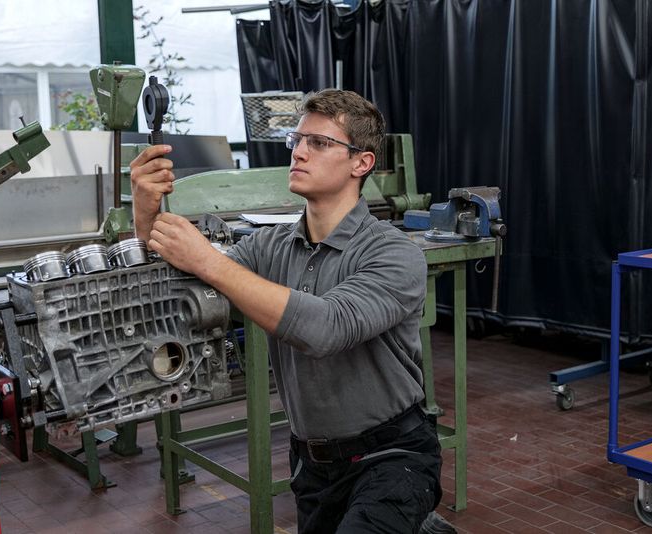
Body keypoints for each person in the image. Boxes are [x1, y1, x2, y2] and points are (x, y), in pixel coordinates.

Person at [130, 89, 443, 534]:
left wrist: (209, 260)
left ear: (361, 163)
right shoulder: (269, 246)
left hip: (391, 457)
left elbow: (326, 328)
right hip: (313, 465)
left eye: (319, 143)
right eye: (296, 140)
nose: (298, 151)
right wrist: (145, 216)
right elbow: (178, 294)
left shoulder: (394, 253)